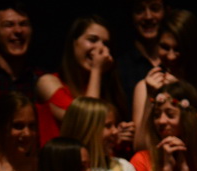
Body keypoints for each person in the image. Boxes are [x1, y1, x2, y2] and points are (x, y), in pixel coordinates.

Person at [132, 9, 197, 150]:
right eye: (165, 47)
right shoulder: (145, 87)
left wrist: (181, 95)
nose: (171, 56)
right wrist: (150, 96)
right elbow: (140, 146)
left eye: (178, 49)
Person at [36, 15, 129, 147]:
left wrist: (116, 134)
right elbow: (86, 123)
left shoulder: (105, 89)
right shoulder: (48, 83)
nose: (100, 48)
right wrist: (96, 69)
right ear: (74, 43)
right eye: (92, 40)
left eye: (105, 44)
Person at [117, 0, 169, 104]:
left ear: (166, 11)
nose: (148, 17)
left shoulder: (176, 61)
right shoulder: (120, 67)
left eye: (154, 9)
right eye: (139, 10)